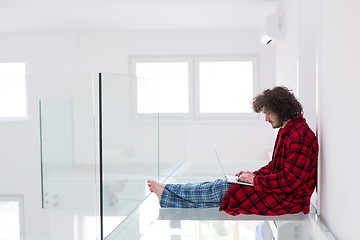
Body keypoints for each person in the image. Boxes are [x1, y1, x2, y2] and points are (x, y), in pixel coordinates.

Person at [147, 86, 318, 216]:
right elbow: (275, 166)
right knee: (223, 186)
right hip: (282, 193)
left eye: (268, 113)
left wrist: (255, 181)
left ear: (281, 110)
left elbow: (290, 181)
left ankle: (168, 191)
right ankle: (168, 192)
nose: (266, 118)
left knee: (224, 190)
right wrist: (253, 175)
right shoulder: (287, 131)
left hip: (290, 200)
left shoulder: (299, 136)